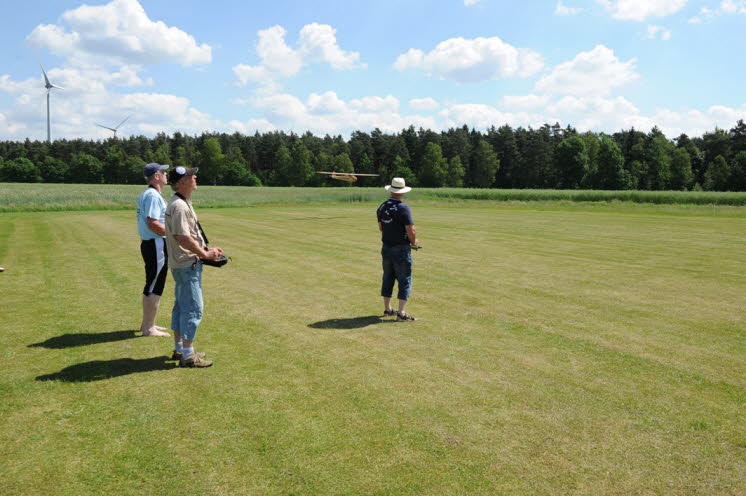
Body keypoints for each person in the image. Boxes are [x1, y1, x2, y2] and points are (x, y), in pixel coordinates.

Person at [164, 166, 223, 368]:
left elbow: (190, 235)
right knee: (193, 309)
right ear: (182, 182)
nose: (195, 177)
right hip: (187, 264)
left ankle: (180, 349)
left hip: (182, 263)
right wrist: (204, 254)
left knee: (181, 306)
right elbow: (183, 237)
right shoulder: (179, 206)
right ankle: (188, 355)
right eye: (190, 175)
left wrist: (208, 249)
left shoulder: (180, 202)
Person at [376, 177, 419, 321]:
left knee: (388, 277)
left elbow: (381, 227)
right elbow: (410, 230)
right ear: (402, 192)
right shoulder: (403, 208)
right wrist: (414, 242)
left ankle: (388, 309)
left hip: (386, 247)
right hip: (401, 249)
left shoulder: (381, 207)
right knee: (404, 279)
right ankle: (401, 313)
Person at [137, 162, 171, 337]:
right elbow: (153, 223)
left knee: (153, 283)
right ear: (156, 176)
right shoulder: (152, 196)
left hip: (153, 243)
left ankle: (148, 324)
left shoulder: (149, 194)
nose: (166, 174)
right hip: (156, 243)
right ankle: (148, 328)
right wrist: (173, 234)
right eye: (163, 172)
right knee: (154, 284)